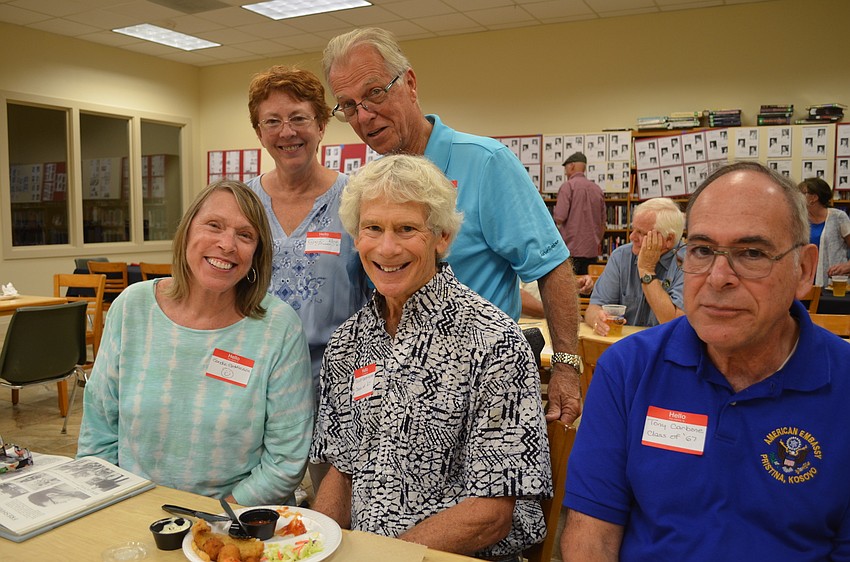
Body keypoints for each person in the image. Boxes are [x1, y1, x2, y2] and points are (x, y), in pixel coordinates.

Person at [561, 161, 850, 560]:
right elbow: (592, 533)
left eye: (751, 252)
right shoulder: (627, 369)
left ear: (803, 269)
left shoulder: (843, 382)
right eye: (701, 250)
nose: (718, 277)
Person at [323, 27, 582, 425]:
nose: (364, 115)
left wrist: (566, 365)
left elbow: (549, 266)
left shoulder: (485, 162)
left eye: (375, 93)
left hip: (480, 381)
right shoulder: (371, 181)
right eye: (349, 106)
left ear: (409, 83)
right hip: (394, 387)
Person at [310, 155, 552, 561]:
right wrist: (316, 545)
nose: (387, 248)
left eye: (406, 229)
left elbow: (492, 514)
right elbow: (342, 467)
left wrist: (383, 557)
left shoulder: (493, 342)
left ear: (441, 237)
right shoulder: (348, 342)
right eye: (373, 228)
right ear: (356, 237)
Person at [77, 180, 313, 506]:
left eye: (245, 235)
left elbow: (286, 458)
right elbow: (98, 429)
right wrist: (112, 506)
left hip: (234, 524)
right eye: (214, 225)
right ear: (187, 231)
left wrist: (213, 520)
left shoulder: (278, 327)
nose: (227, 244)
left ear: (257, 254)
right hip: (132, 513)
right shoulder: (132, 308)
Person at [246, 65, 369, 389]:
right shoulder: (243, 203)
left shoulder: (357, 199)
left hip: (336, 380)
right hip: (258, 378)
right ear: (259, 132)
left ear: (321, 126)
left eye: (298, 118)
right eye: (272, 121)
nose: (287, 132)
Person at [584, 197, 685, 335]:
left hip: (664, 348)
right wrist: (598, 319)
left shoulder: (688, 264)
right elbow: (594, 307)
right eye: (633, 229)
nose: (632, 237)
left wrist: (646, 270)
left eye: (642, 233)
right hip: (623, 345)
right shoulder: (621, 256)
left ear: (669, 239)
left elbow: (674, 323)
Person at [553, 151, 607, 276]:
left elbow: (560, 217)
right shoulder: (597, 189)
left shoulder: (568, 187)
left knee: (571, 290)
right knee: (588, 288)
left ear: (571, 166)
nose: (566, 172)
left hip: (571, 251)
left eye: (566, 168)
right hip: (591, 251)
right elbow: (602, 223)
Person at [798, 177, 850, 284]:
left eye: (802, 193)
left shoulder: (839, 217)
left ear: (814, 198)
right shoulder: (800, 220)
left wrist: (847, 266)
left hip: (834, 281)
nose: (798, 197)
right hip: (805, 281)